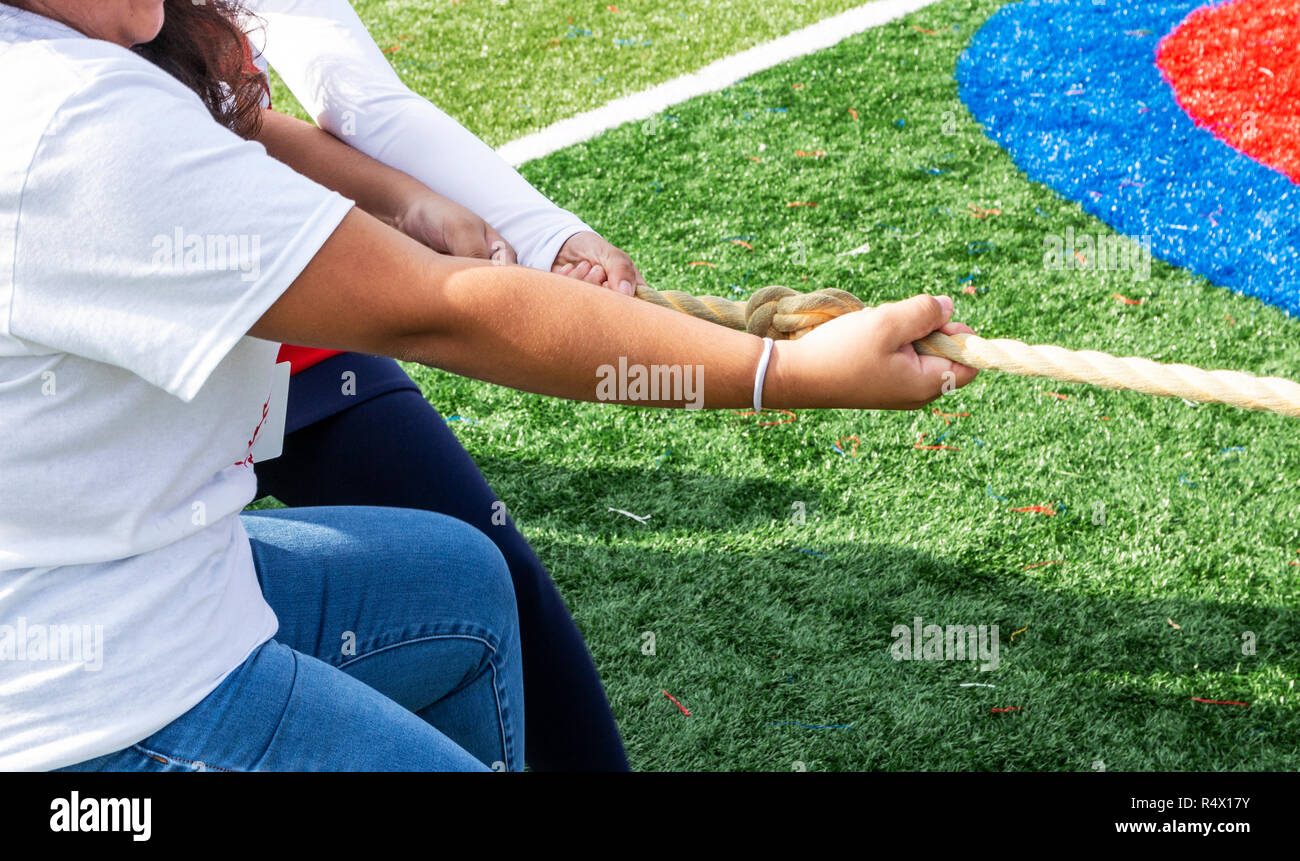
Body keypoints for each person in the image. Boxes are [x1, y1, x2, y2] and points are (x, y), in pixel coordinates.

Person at [0, 0, 977, 772]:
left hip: (150, 565)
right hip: (98, 703)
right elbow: (449, 310)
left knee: (461, 577)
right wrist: (787, 374)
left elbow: (243, 132)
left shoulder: (81, 64)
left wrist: (437, 208)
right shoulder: (69, 116)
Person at [243, 0, 649, 771]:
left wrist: (543, 235)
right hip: (117, 380)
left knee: (490, 580)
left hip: (279, 320)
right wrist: (787, 376)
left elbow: (289, 106)